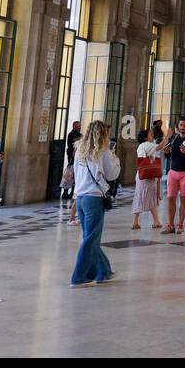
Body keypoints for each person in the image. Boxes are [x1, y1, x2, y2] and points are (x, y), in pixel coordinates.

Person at [69, 119, 120, 287]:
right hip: (94, 198)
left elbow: (76, 173)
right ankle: (78, 277)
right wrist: (115, 157)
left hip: (81, 197)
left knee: (90, 237)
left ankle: (103, 272)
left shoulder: (80, 150)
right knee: (91, 238)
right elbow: (112, 174)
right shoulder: (103, 151)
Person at [161, 117, 185, 234]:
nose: (182, 127)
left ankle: (180, 224)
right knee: (170, 198)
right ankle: (170, 225)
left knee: (183, 199)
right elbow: (170, 155)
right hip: (173, 172)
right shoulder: (174, 139)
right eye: (181, 125)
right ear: (178, 126)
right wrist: (166, 153)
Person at [131, 121, 164, 230]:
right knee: (149, 197)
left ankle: (151, 221)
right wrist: (168, 137)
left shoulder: (140, 146)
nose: (152, 135)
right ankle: (153, 221)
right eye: (150, 134)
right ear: (146, 137)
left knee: (141, 196)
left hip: (141, 174)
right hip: (150, 175)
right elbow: (160, 146)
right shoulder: (148, 145)